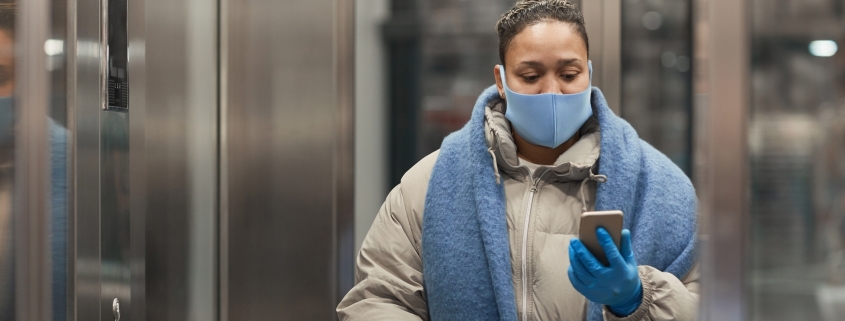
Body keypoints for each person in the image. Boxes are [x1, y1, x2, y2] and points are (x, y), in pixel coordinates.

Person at [338, 1, 698, 320]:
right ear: (501, 80)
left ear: (589, 74)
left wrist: (640, 300)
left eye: (569, 74)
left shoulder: (661, 188)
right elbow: (378, 297)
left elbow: (712, 303)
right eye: (530, 76)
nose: (552, 91)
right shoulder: (430, 185)